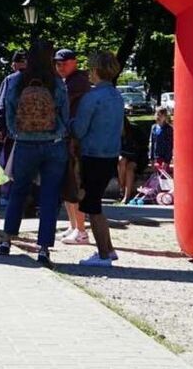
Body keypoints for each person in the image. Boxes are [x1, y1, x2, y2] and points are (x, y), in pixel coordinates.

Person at [0, 41, 69, 268]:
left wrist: (16, 132)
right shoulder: (56, 82)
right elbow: (65, 114)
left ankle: (7, 240)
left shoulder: (16, 81)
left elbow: (9, 112)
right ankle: (44, 249)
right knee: (49, 196)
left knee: (18, 191)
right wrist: (59, 132)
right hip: (53, 144)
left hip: (25, 144)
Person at [71, 51, 125, 267]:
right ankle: (109, 250)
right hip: (110, 155)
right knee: (96, 204)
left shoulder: (92, 97)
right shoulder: (117, 96)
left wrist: (68, 122)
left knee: (92, 207)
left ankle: (103, 255)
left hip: (92, 156)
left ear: (95, 71)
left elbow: (79, 129)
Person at [55, 48, 92, 245]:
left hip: (76, 142)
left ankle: (81, 230)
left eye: (64, 63)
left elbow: (59, 103)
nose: (60, 66)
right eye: (58, 63)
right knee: (68, 185)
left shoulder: (77, 82)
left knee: (75, 185)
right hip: (69, 140)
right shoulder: (67, 81)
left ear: (74, 62)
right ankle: (73, 226)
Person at [117, 115, 147, 204]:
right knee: (121, 160)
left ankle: (126, 196)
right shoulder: (115, 132)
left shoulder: (134, 130)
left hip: (137, 158)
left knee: (129, 168)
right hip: (122, 159)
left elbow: (143, 146)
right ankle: (122, 188)